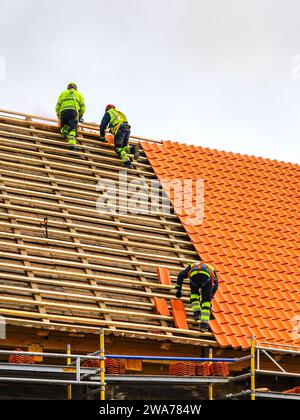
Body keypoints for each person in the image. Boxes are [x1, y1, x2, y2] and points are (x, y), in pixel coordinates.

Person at [175, 260, 219, 333]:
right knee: (206, 302)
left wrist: (179, 288)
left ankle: (197, 313)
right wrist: (210, 297)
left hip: (194, 277)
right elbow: (216, 286)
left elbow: (180, 275)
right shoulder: (211, 269)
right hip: (206, 278)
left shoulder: (192, 266)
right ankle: (203, 325)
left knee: (194, 295)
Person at [56, 82, 86, 151]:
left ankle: (64, 130)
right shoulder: (79, 94)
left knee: (65, 125)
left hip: (63, 113)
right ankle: (72, 145)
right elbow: (83, 108)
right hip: (73, 113)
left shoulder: (62, 93)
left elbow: (57, 107)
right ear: (75, 88)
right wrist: (79, 117)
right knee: (73, 129)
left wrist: (59, 117)